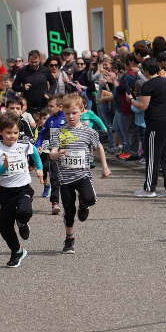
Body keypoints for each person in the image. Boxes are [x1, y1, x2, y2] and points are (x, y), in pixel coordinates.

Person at [49, 94, 111, 253]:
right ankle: (69, 239)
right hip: (65, 178)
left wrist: (105, 166)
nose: (71, 116)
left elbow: (99, 148)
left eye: (74, 113)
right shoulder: (58, 132)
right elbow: (53, 152)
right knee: (69, 211)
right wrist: (54, 155)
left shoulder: (89, 132)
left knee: (90, 199)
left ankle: (83, 205)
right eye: (67, 113)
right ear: (63, 112)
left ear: (82, 111)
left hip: (83, 175)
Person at [0, 115, 44, 267]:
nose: (12, 136)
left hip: (23, 188)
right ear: (0, 132)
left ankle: (22, 223)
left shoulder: (24, 145)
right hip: (6, 192)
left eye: (15, 132)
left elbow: (34, 153)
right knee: (5, 229)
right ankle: (17, 251)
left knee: (24, 212)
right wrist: (4, 167)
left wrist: (39, 169)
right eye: (8, 133)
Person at [130, 58, 166, 197]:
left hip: (156, 123)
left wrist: (131, 100)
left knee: (152, 157)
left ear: (146, 70)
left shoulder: (148, 85)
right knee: (165, 156)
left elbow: (143, 106)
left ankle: (149, 188)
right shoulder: (164, 82)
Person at [35, 96, 66, 215]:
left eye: (51, 106)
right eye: (48, 106)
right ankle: (55, 203)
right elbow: (42, 133)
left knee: (71, 179)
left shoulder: (68, 117)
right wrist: (38, 144)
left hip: (67, 153)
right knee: (55, 178)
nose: (49, 108)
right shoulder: (50, 119)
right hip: (53, 153)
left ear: (60, 107)